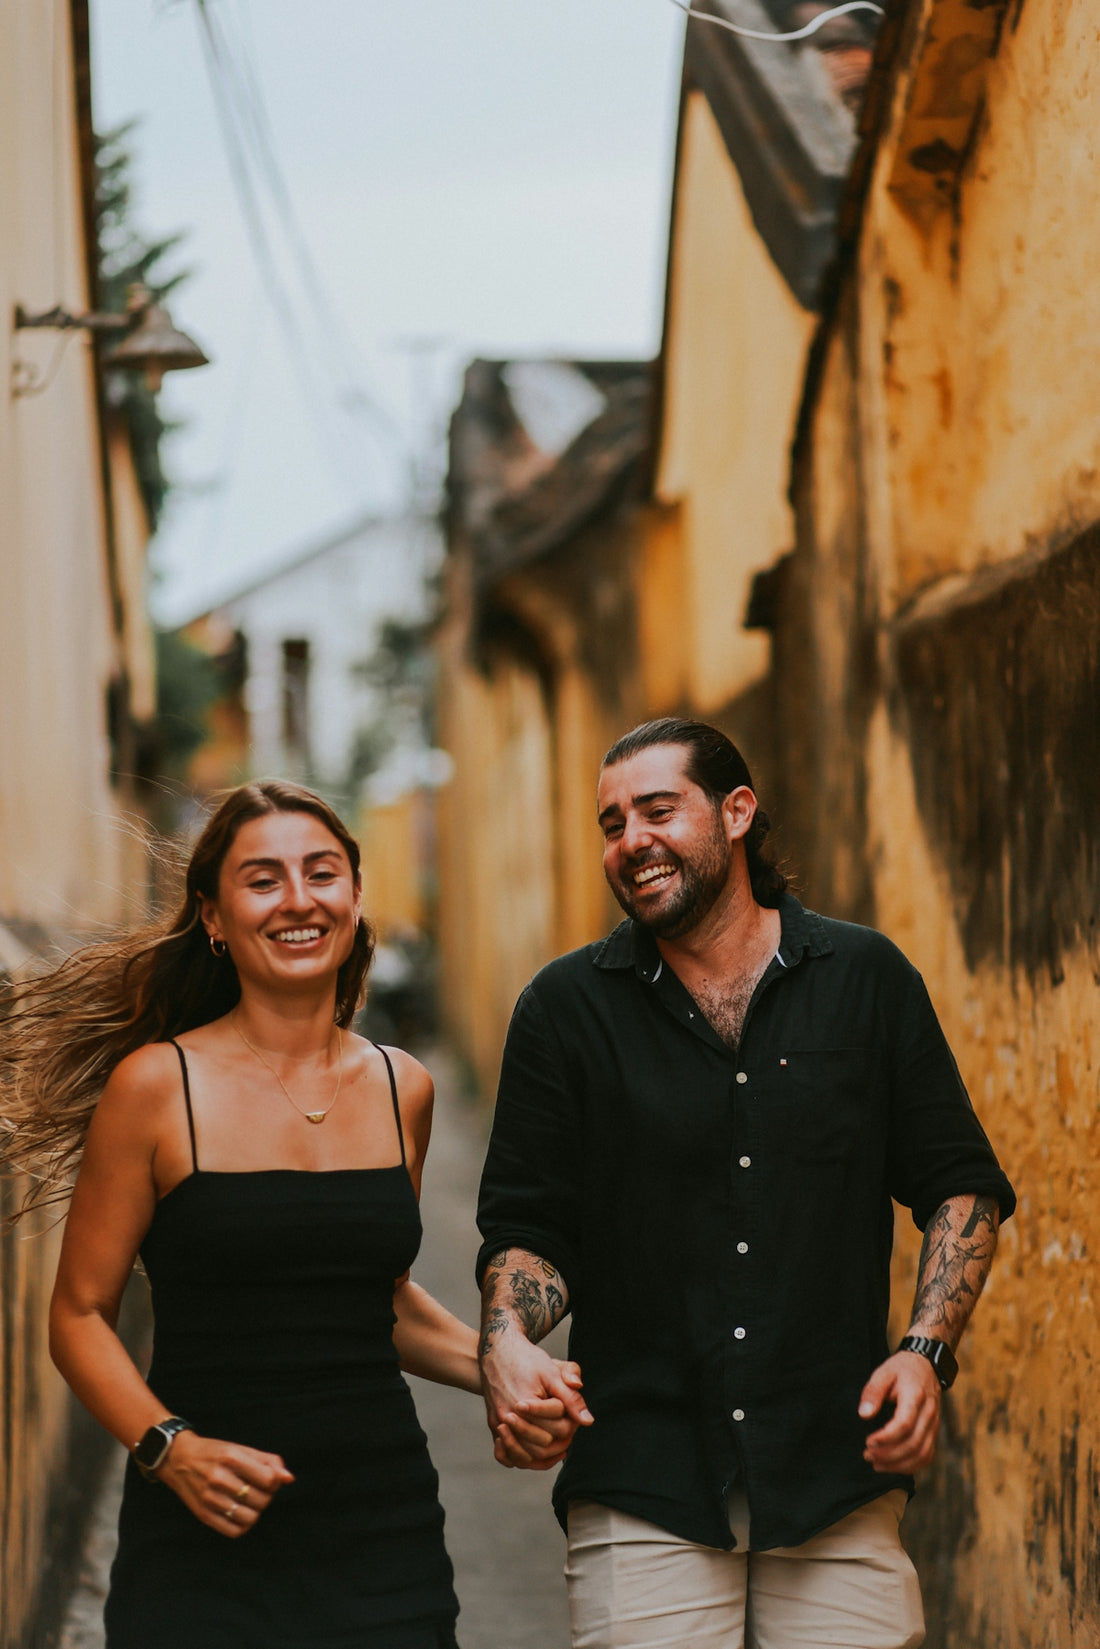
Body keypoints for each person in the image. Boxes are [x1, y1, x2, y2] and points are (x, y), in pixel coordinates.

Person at [477, 717, 1016, 1649]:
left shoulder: (866, 979)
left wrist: (925, 1351)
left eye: (656, 809)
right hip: (644, 1475)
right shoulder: (562, 1011)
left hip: (835, 1472)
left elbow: (960, 1184)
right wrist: (507, 1335)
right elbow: (533, 1227)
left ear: (736, 812)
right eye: (611, 823)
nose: (631, 841)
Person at [1, 780, 578, 1649]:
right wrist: (169, 1447)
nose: (299, 899)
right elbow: (79, 1313)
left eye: (322, 873)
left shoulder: (401, 1086)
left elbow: (374, 1299)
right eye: (263, 879)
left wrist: (498, 1367)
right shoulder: (157, 1088)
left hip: (382, 1529)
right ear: (214, 916)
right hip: (202, 1538)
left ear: (353, 896)